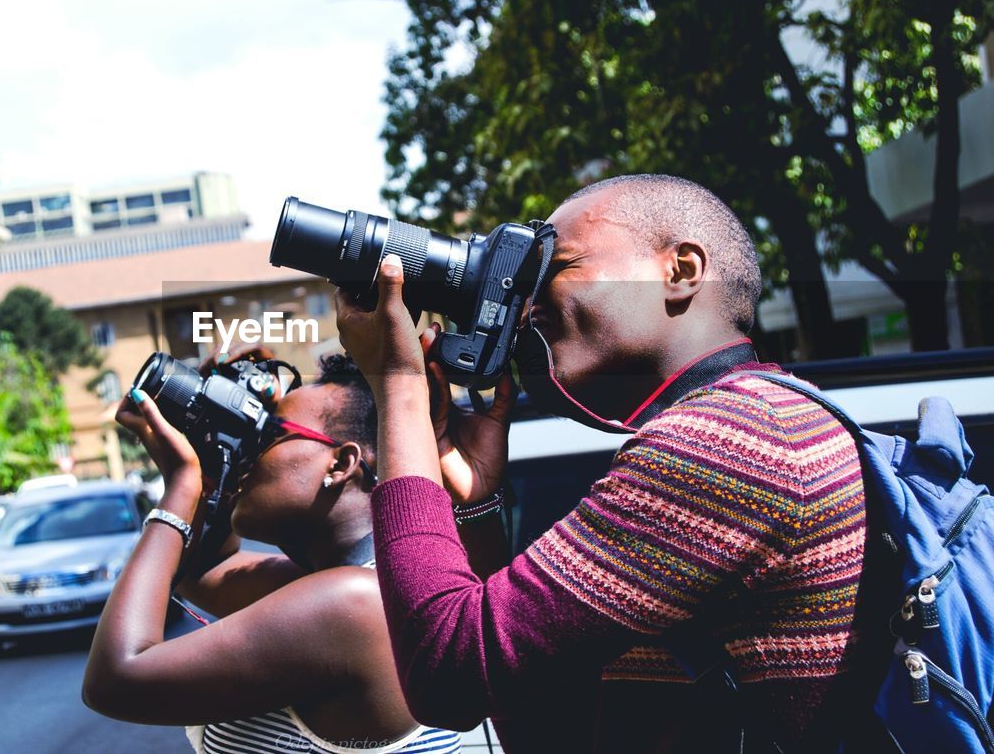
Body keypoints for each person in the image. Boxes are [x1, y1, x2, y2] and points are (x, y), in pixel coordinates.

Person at [335, 174, 873, 752]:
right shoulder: (763, 419)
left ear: (681, 270)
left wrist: (397, 383)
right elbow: (537, 724)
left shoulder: (731, 441)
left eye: (556, 268)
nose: (527, 305)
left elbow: (448, 677)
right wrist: (479, 507)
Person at [82, 353, 462, 754]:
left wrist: (181, 484)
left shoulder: (355, 603)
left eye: (269, 436)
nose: (251, 453)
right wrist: (214, 461)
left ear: (340, 464)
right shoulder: (358, 585)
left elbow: (115, 679)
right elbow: (203, 573)